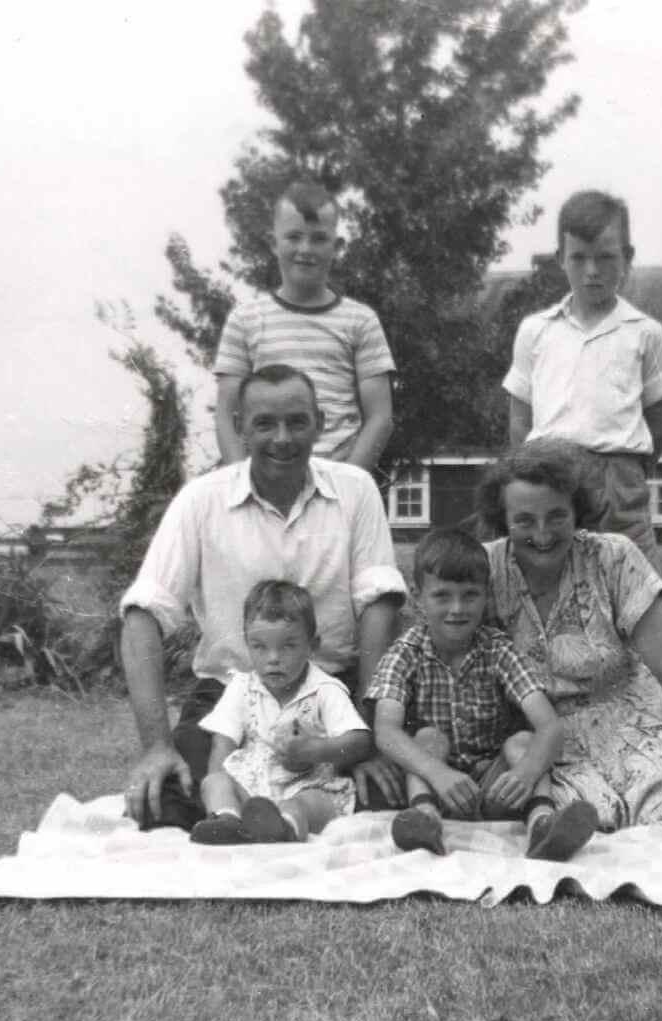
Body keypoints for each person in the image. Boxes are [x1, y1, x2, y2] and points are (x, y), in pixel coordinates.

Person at [118, 363, 408, 830]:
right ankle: (253, 814)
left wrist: (369, 735)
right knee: (165, 804)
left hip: (331, 688)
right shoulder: (200, 500)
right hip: (229, 693)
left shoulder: (356, 491)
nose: (282, 438)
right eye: (264, 424)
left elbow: (380, 608)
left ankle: (284, 815)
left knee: (384, 790)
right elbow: (141, 616)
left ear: (320, 422)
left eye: (297, 421)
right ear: (238, 428)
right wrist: (156, 747)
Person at [478, 438, 662, 831]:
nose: (542, 534)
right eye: (525, 520)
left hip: (633, 730)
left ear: (578, 512)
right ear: (503, 520)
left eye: (557, 516)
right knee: (583, 821)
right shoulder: (485, 567)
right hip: (545, 742)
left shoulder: (614, 557)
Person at [366, 528, 599, 861]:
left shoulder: (497, 649)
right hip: (436, 785)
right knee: (428, 737)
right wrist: (438, 774)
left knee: (522, 740)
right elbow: (386, 730)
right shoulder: (406, 652)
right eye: (442, 595)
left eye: (469, 595)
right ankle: (425, 821)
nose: (457, 608)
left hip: (495, 787)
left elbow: (550, 726)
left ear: (486, 596)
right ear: (418, 597)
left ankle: (542, 825)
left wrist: (526, 771)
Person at [503, 189, 662, 557]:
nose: (592, 271)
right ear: (560, 259)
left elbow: (657, 423)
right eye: (579, 258)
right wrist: (540, 474)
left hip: (620, 485)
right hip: (552, 478)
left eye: (605, 257)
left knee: (635, 587)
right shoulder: (536, 331)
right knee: (552, 581)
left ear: (627, 258)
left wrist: (624, 477)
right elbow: (519, 421)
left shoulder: (645, 332)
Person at [212, 180, 395, 473]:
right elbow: (226, 415)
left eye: (319, 238)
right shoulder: (244, 320)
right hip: (265, 478)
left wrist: (347, 485)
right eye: (294, 237)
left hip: (336, 478)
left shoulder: (361, 321)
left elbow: (380, 417)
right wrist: (241, 482)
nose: (305, 249)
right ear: (274, 243)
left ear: (337, 247)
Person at [189, 581, 370, 846]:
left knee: (303, 804)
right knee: (214, 781)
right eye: (260, 647)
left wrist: (316, 750)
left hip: (307, 785)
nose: (273, 658)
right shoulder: (242, 687)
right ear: (247, 645)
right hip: (250, 791)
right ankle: (227, 821)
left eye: (288, 646)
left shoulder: (324, 690)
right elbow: (223, 741)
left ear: (312, 645)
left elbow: (360, 741)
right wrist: (222, 785)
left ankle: (285, 828)